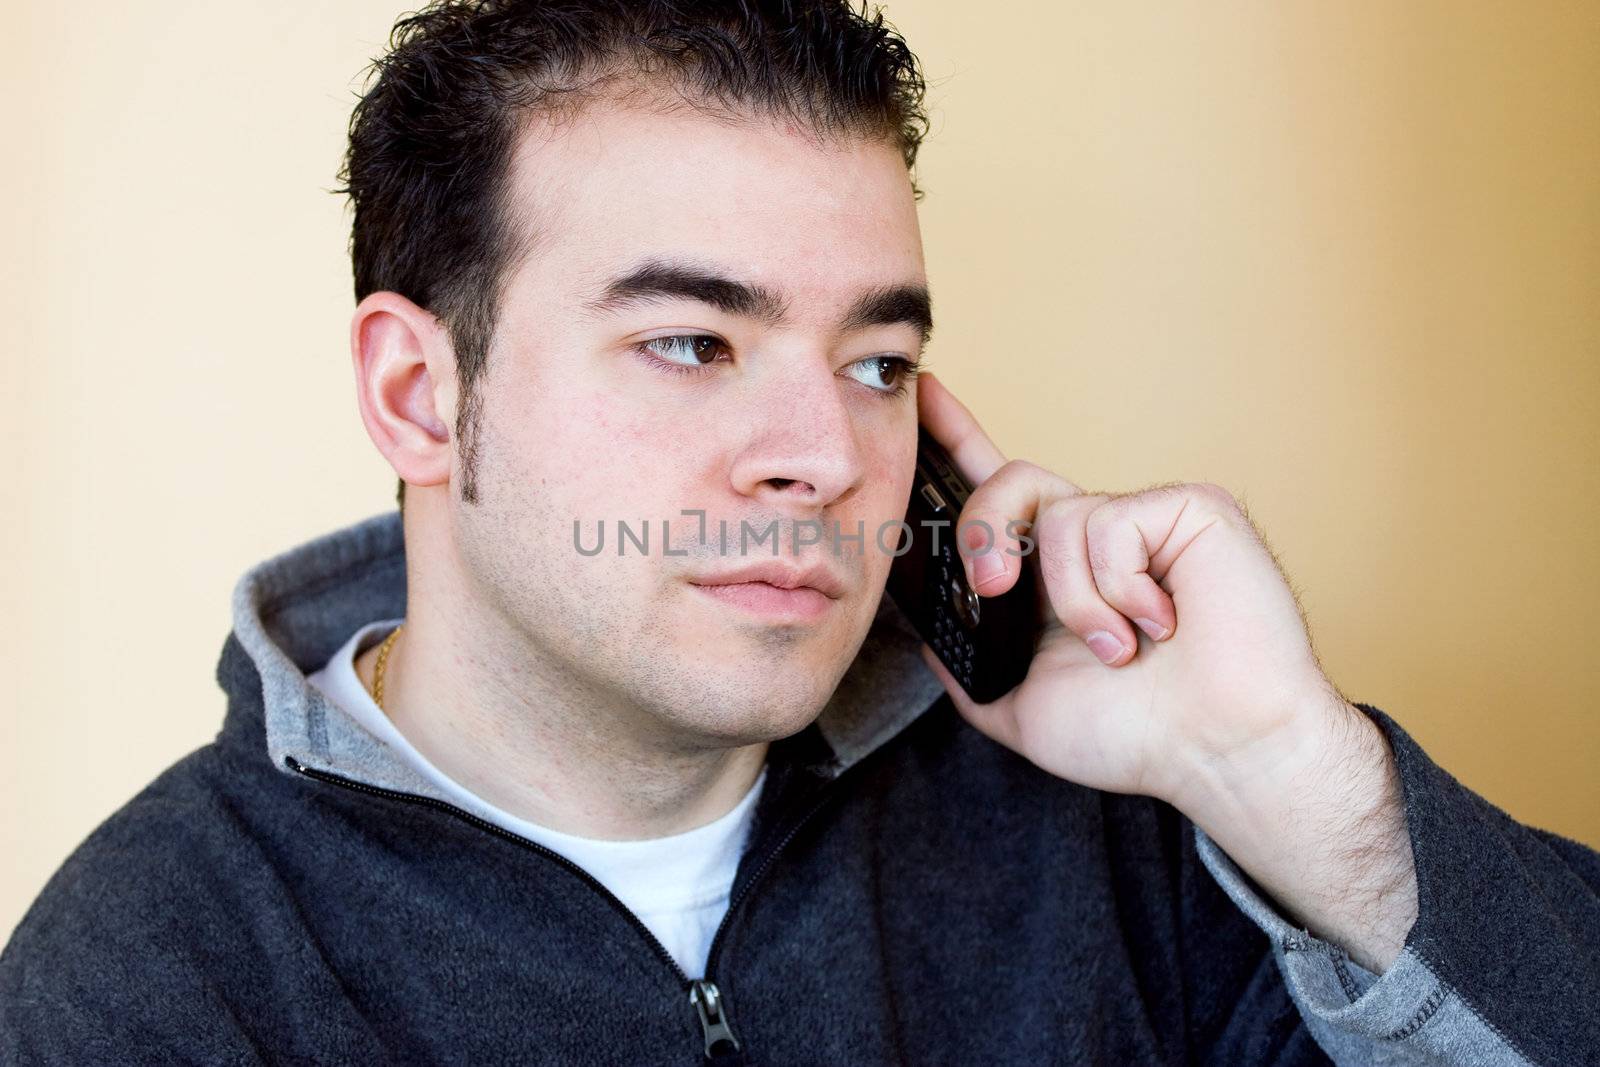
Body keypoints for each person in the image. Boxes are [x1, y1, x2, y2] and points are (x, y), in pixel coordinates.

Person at [3, 2, 1597, 1064]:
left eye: (878, 362)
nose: (824, 455)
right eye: (693, 342)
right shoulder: (156, 979)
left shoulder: (1107, 830)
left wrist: (1290, 785)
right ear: (422, 391)